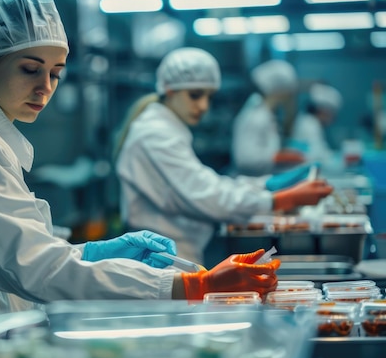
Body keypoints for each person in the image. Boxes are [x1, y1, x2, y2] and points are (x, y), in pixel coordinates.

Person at [0, 0, 280, 311]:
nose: (45, 87)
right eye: (30, 69)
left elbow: (22, 253)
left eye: (55, 73)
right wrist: (190, 286)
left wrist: (92, 253)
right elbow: (35, 268)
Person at [114, 48, 334, 263]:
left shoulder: (166, 129)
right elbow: (208, 195)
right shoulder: (156, 134)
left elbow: (205, 183)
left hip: (176, 251)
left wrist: (265, 185)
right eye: (195, 95)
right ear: (170, 90)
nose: (203, 106)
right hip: (165, 257)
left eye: (208, 97)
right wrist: (280, 199)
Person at [232, 59, 305, 177]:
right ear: (280, 90)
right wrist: (280, 157)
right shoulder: (257, 117)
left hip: (260, 179)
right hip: (250, 182)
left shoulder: (266, 114)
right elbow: (245, 159)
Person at [291, 83, 342, 168]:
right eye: (332, 114)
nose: (332, 119)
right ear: (323, 110)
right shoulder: (310, 125)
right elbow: (317, 156)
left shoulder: (310, 122)